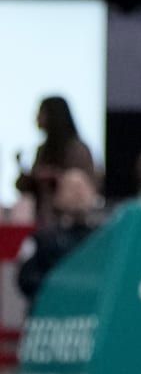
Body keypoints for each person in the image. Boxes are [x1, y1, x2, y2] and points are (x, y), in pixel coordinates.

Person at [15, 169, 105, 301]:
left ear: (93, 193)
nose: (78, 193)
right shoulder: (41, 239)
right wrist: (63, 287)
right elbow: (27, 279)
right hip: (53, 313)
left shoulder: (104, 237)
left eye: (82, 187)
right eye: (71, 188)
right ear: (58, 197)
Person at [13, 96, 97, 216]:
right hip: (44, 218)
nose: (36, 118)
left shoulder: (77, 149)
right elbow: (26, 187)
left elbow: (85, 184)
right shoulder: (42, 150)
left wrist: (56, 176)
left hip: (72, 219)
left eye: (41, 113)